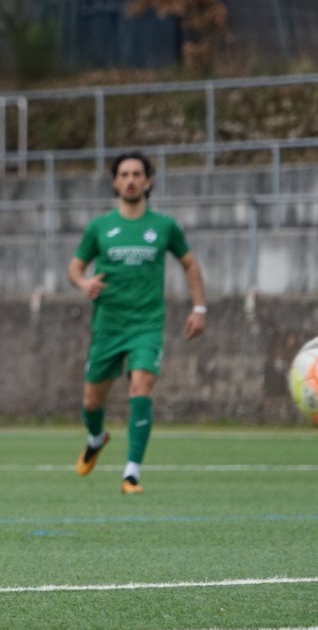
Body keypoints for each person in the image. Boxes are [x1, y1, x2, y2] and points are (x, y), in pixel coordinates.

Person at [66, 152, 207, 494]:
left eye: (137, 174)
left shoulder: (164, 226)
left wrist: (199, 307)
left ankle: (131, 473)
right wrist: (84, 283)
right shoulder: (100, 227)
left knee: (141, 386)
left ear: (148, 181)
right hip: (108, 325)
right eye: (124, 174)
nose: (130, 180)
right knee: (91, 402)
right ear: (115, 182)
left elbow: (189, 264)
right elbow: (74, 268)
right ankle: (97, 438)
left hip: (146, 324)